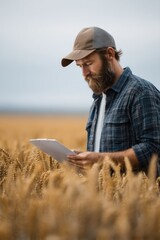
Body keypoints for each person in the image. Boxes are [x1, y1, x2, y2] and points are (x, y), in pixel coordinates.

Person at [61, 26, 160, 175]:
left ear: (109, 54)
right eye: (80, 66)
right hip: (105, 196)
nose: (84, 73)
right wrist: (85, 160)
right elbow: (101, 154)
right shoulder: (99, 100)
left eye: (88, 63)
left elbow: (154, 148)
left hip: (136, 196)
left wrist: (101, 159)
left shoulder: (141, 92)